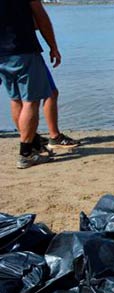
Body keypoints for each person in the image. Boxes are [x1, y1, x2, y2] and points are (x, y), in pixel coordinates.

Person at [0, 0, 60, 168]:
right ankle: (26, 153)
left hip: (2, 54)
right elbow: (41, 17)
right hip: (22, 49)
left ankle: (31, 142)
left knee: (16, 98)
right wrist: (53, 46)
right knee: (31, 100)